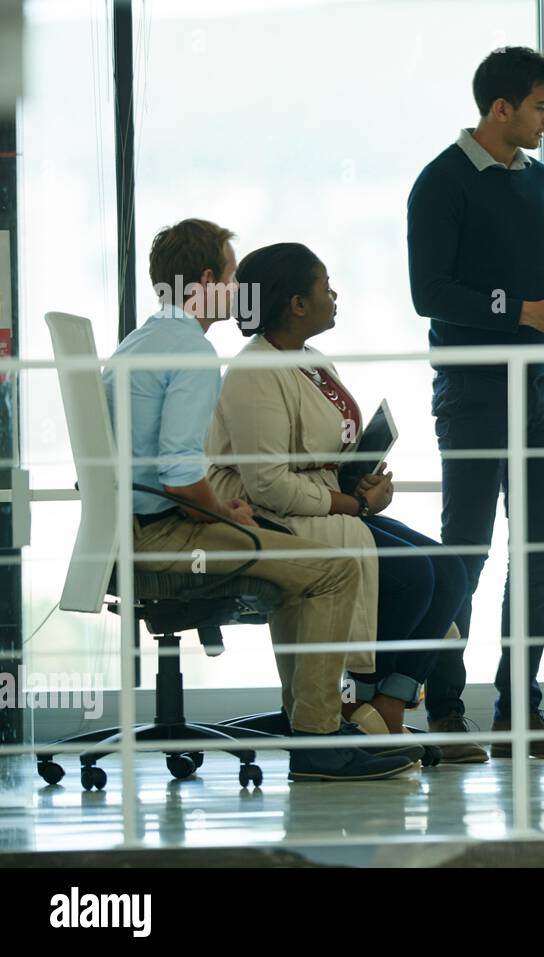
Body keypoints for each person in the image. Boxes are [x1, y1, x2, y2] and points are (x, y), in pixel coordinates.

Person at [107, 219, 415, 782]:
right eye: (231, 274)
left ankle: (315, 722)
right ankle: (319, 739)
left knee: (319, 561)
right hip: (160, 534)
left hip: (132, 528)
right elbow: (179, 476)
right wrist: (225, 510)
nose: (240, 288)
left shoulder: (146, 339)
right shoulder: (193, 353)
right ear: (207, 280)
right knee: (331, 570)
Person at [407, 46, 544, 761]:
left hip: (540, 391)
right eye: (539, 107)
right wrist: (525, 310)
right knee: (464, 553)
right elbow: (429, 294)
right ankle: (442, 709)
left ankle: (517, 711)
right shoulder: (440, 183)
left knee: (539, 552)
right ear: (501, 110)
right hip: (473, 391)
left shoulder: (540, 180)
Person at [206, 242, 468, 752]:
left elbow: (322, 451)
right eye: (325, 287)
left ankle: (386, 706)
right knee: (414, 577)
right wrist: (355, 506)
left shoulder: (310, 360)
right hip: (268, 515)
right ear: (296, 305)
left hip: (325, 500)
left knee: (450, 570)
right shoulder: (254, 373)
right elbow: (268, 484)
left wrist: (357, 483)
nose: (334, 296)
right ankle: (362, 705)